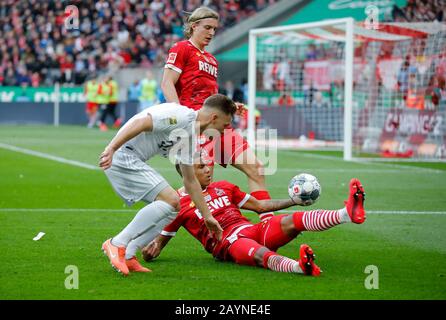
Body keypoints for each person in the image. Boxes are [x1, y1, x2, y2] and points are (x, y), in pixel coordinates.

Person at [142, 162, 366, 276]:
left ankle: (346, 214)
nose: (208, 168)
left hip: (252, 229)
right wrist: (149, 250)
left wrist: (293, 201)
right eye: (201, 166)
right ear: (187, 172)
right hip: (229, 243)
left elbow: (260, 206)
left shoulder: (224, 187)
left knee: (293, 220)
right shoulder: (177, 203)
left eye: (207, 163)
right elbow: (157, 246)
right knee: (260, 254)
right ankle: (299, 268)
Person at [99, 94, 237, 276]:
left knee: (174, 206)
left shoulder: (191, 137)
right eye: (225, 125)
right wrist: (112, 148)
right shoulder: (181, 117)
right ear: (214, 118)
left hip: (130, 158)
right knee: (171, 199)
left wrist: (208, 216)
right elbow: (142, 122)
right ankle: (117, 244)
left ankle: (130, 254)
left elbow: (190, 180)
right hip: (123, 156)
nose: (225, 130)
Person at [161, 6, 275, 222]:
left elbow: (209, 96)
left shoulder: (212, 60)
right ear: (194, 26)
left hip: (220, 125)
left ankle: (268, 225)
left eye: (214, 29)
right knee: (196, 183)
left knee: (257, 168)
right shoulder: (181, 48)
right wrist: (180, 117)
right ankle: (161, 231)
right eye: (207, 27)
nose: (212, 33)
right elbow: (167, 83)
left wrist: (230, 106)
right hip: (197, 125)